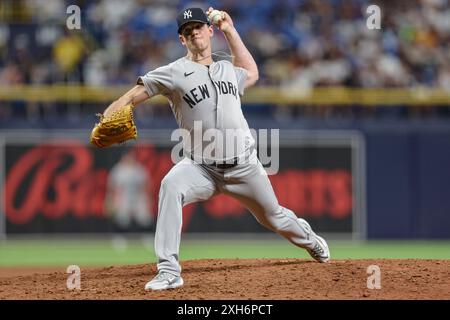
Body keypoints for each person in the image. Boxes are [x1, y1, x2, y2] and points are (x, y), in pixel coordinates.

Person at [101, 7, 330, 291]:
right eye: (187, 31)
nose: (193, 32)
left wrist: (230, 29)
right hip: (200, 167)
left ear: (210, 31)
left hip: (244, 166)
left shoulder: (226, 69)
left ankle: (310, 240)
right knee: (171, 185)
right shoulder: (172, 72)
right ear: (182, 40)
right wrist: (109, 114)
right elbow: (133, 96)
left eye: (198, 26)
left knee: (274, 217)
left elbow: (252, 73)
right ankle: (169, 270)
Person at [105, 152, 153, 231]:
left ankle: (145, 236)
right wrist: (110, 201)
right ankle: (121, 237)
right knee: (122, 218)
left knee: (144, 218)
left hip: (137, 197)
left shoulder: (139, 170)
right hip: (123, 198)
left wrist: (148, 200)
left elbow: (145, 187)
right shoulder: (117, 170)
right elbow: (112, 188)